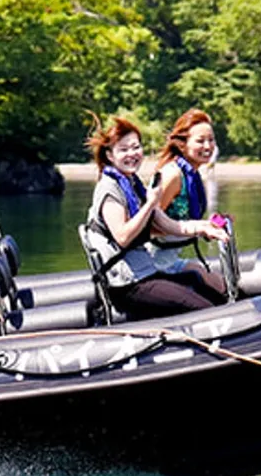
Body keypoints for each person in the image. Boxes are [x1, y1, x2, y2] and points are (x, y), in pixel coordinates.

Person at [84, 115, 228, 320]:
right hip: (128, 284)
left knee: (196, 280)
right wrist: (151, 203)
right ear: (109, 155)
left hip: (145, 271)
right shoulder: (109, 189)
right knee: (202, 308)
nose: (132, 154)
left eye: (136, 147)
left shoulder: (133, 183)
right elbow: (122, 237)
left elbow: (167, 224)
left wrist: (204, 227)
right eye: (124, 150)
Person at [151, 108, 226, 298]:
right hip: (152, 263)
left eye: (211, 140)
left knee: (219, 283)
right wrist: (195, 228)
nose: (208, 146)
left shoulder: (192, 174)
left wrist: (210, 226)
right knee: (209, 285)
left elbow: (185, 221)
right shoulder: (173, 175)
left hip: (170, 259)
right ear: (182, 145)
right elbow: (147, 227)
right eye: (200, 141)